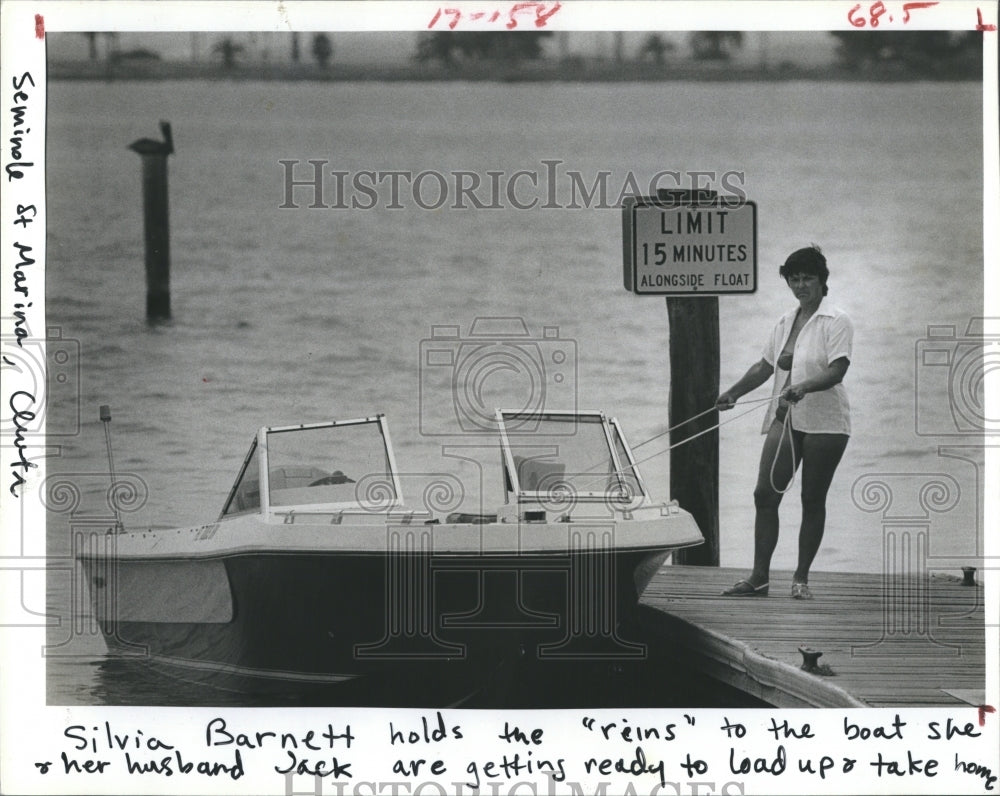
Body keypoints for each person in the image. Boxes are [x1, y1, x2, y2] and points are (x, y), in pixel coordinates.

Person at [715, 246, 852, 600]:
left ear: (823, 282)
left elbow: (837, 370)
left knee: (812, 499)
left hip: (827, 423)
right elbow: (764, 366)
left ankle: (801, 579)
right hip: (785, 417)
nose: (801, 285)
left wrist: (803, 386)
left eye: (808, 278)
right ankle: (759, 577)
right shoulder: (783, 321)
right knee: (764, 494)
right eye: (795, 279)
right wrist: (733, 393)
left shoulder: (836, 320)